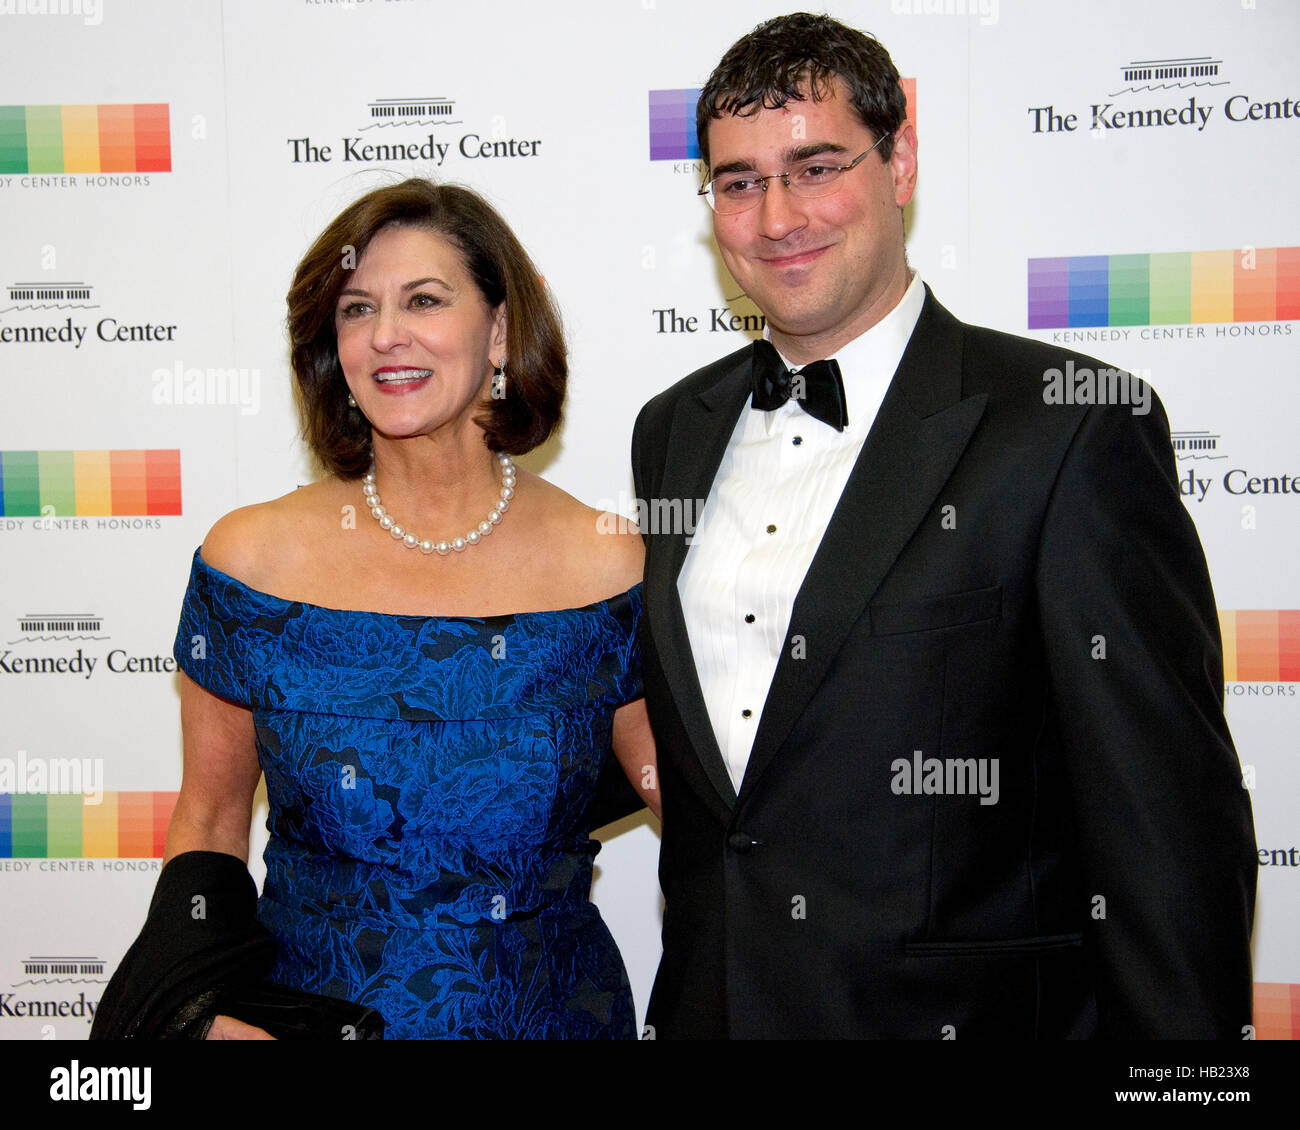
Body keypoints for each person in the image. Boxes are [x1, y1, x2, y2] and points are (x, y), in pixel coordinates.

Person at [632, 12, 1256, 1038]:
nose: (776, 214)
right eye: (738, 181)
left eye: (815, 164)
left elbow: (1165, 830)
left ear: (901, 160)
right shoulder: (672, 431)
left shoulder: (1068, 425)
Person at [94, 178, 658, 1040]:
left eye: (424, 300)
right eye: (357, 309)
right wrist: (199, 1014)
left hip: (552, 1019)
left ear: (500, 329)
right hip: (311, 1022)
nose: (386, 336)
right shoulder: (253, 560)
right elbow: (209, 820)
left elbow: (687, 813)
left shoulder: (605, 561)